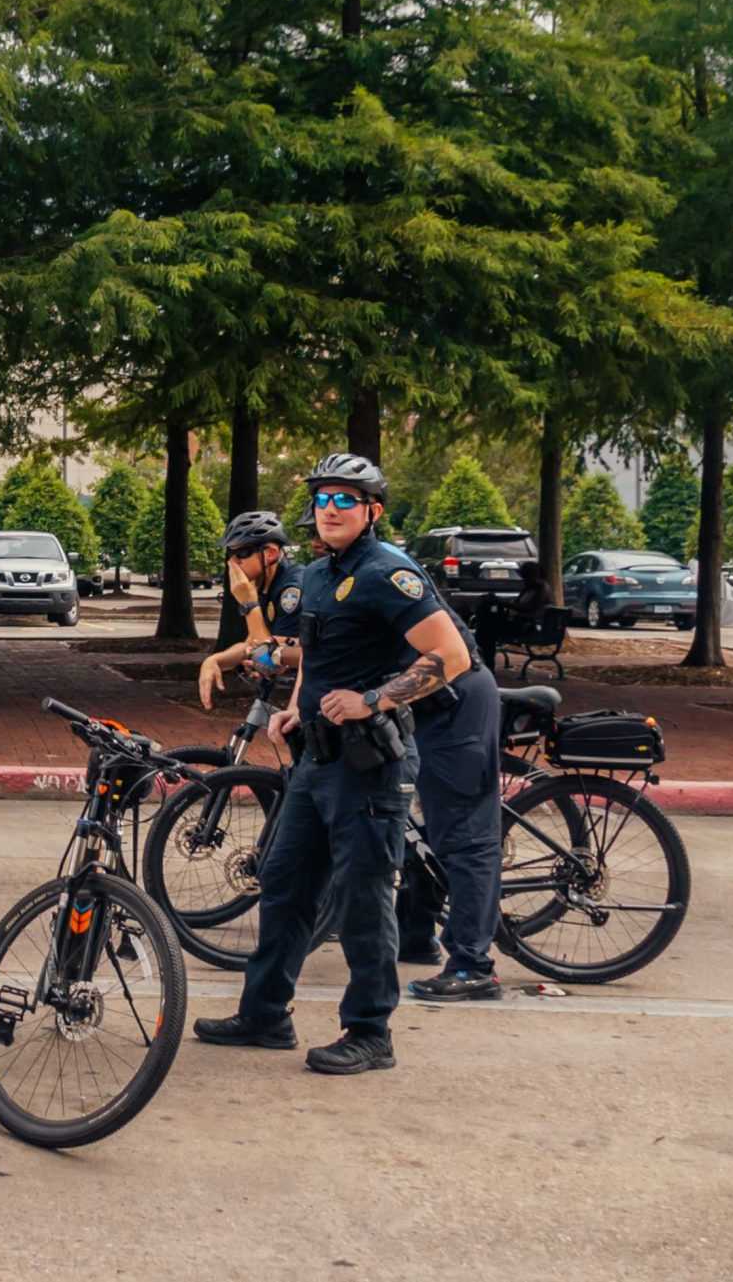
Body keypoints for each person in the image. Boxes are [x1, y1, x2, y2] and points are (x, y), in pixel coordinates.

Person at [194, 454, 496, 1075]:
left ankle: (369, 1031)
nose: (330, 510)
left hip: (367, 764)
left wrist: (372, 700)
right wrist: (300, 708)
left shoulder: (390, 572)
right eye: (323, 499)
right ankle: (265, 1014)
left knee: (362, 898)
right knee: (284, 883)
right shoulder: (327, 574)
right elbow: (317, 650)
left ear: (372, 511)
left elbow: (451, 655)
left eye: (345, 500)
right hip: (317, 759)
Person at [196, 511, 305, 710]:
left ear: (270, 553)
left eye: (242, 553)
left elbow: (269, 661)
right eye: (230, 553)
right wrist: (215, 661)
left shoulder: (291, 589)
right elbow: (250, 644)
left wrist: (249, 605)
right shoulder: (265, 585)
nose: (232, 562)